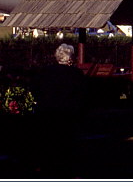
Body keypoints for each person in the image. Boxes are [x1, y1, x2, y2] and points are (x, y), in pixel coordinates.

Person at [32, 44, 87, 176]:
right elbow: (82, 94)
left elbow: (35, 89)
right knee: (67, 145)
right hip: (67, 114)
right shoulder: (76, 74)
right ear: (70, 58)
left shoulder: (44, 72)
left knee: (48, 143)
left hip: (47, 112)